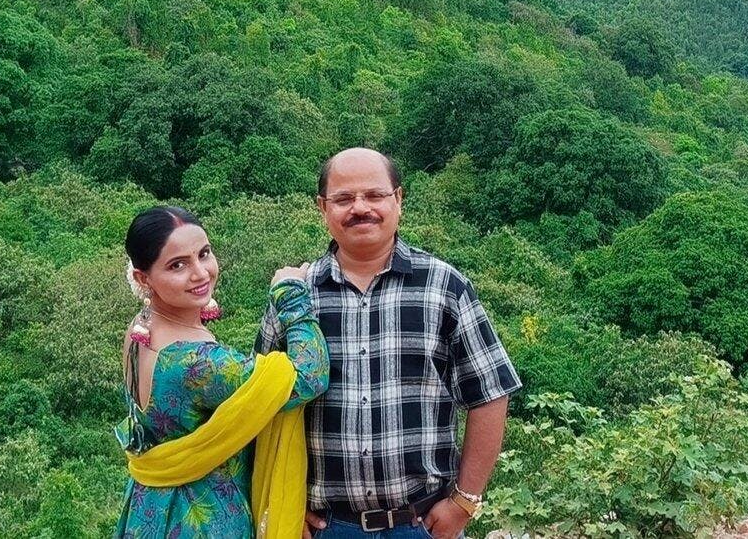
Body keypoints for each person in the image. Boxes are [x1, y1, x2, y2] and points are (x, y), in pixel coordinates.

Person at [257, 148, 521, 539]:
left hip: (423, 523)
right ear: (322, 207)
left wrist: (464, 501)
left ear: (398, 199)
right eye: (344, 199)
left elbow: (490, 394)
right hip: (328, 527)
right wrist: (280, 503)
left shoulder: (443, 286)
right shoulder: (295, 296)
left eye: (374, 195)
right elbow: (260, 404)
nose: (360, 208)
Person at [115, 205, 330, 539]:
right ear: (144, 278)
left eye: (203, 253)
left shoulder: (140, 330)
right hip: (201, 519)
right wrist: (290, 293)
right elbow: (309, 376)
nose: (200, 273)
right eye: (177, 265)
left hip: (149, 510)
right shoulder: (198, 363)